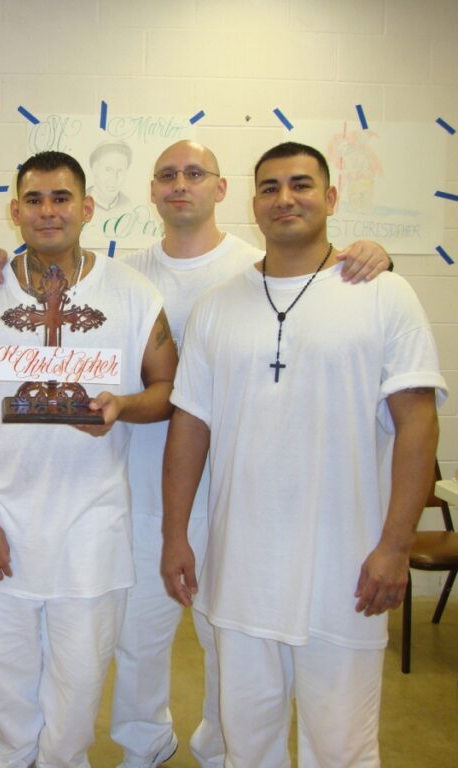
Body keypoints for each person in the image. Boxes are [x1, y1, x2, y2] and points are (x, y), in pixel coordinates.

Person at [0, 140, 392, 768]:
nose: (179, 185)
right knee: (139, 638)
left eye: (194, 173)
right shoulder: (130, 273)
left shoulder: (260, 266)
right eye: (167, 175)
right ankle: (144, 742)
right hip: (145, 489)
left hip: (239, 494)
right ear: (152, 191)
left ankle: (222, 751)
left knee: (231, 645)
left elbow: (323, 274)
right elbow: (47, 271)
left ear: (222, 189)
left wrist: (374, 253)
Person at [161, 142, 445, 768]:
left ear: (331, 197)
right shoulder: (216, 307)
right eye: (270, 187)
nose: (284, 198)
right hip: (241, 574)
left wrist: (396, 546)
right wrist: (175, 534)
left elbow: (418, 424)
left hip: (346, 575)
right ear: (253, 203)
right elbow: (190, 427)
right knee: (247, 746)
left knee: (342, 750)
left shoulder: (384, 294)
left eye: (301, 184)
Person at [0, 150, 178, 768]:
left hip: (91, 526)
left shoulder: (131, 293)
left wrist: (123, 406)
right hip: (1, 519)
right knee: (6, 684)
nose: (48, 211)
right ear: (15, 211)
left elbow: (170, 390)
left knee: (78, 685)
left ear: (87, 208)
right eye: (34, 200)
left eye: (61, 198)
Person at [87, 140, 133, 216]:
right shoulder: (79, 202)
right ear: (95, 168)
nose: (114, 178)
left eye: (120, 171)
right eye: (108, 170)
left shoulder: (130, 207)